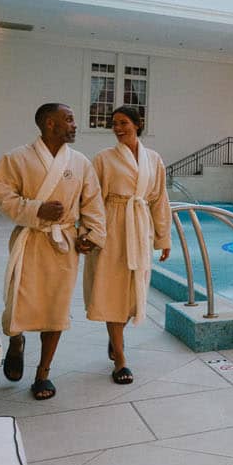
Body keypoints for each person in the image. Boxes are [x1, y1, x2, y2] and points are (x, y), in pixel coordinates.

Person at [0, 102, 105, 400]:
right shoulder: (16, 158)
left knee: (56, 308)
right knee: (18, 302)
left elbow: (93, 203)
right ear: (50, 124)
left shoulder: (80, 162)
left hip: (62, 244)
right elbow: (2, 198)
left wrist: (90, 235)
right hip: (30, 240)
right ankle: (16, 342)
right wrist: (36, 208)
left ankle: (43, 373)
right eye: (68, 120)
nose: (74, 124)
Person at [84, 105, 171, 384]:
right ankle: (120, 358)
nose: (118, 128)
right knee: (112, 289)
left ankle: (115, 337)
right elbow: (91, 199)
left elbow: (159, 200)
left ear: (138, 124)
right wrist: (89, 232)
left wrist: (163, 237)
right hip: (111, 228)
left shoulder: (154, 159)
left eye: (123, 123)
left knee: (131, 292)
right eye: (114, 124)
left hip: (139, 226)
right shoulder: (103, 158)